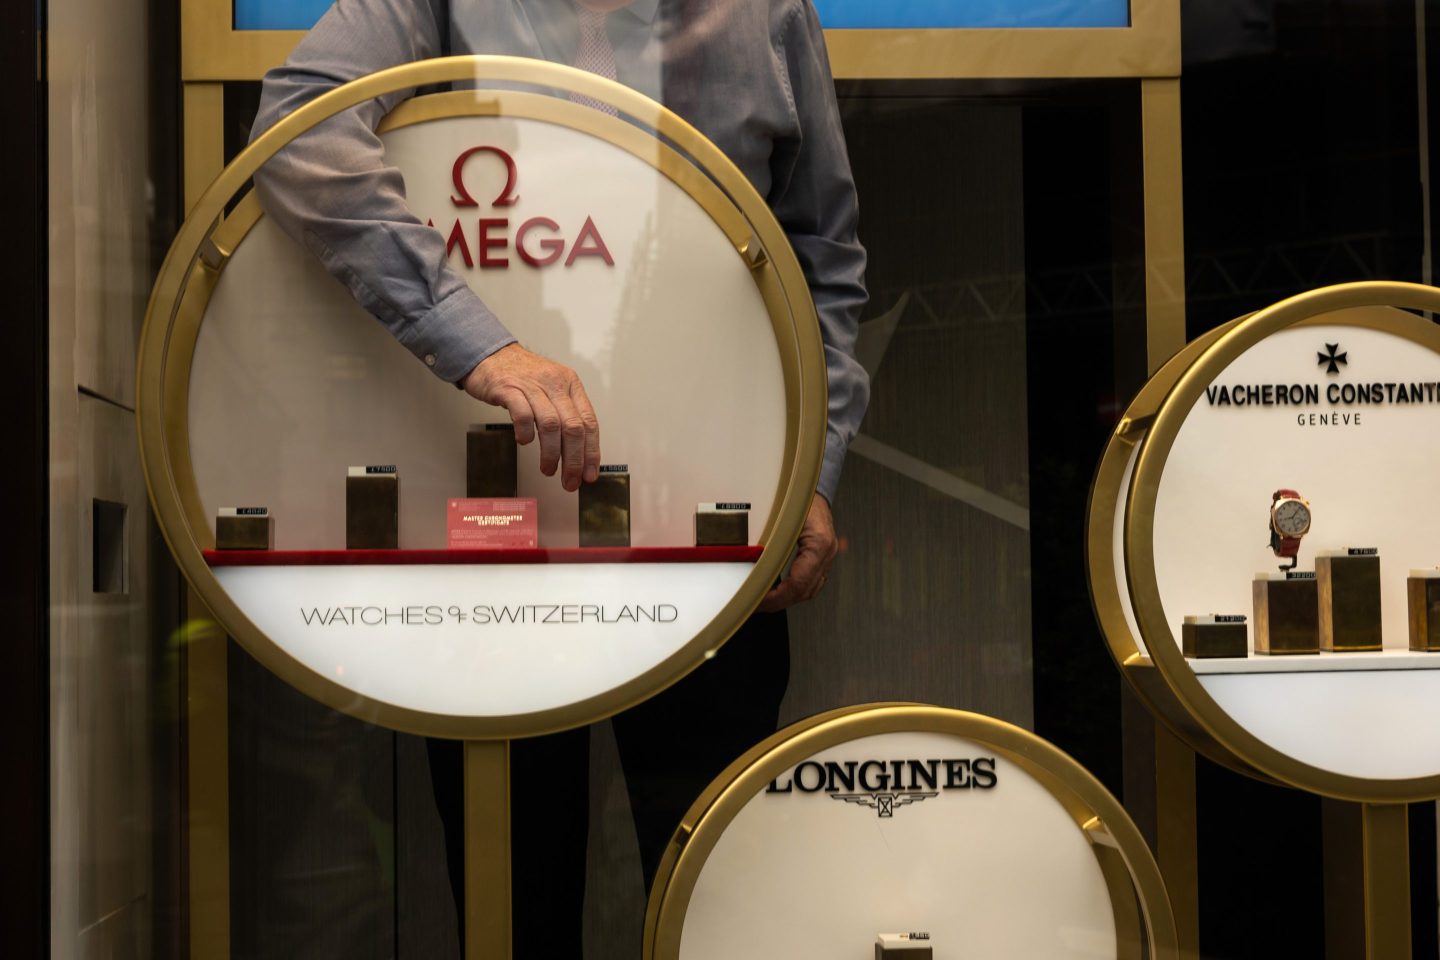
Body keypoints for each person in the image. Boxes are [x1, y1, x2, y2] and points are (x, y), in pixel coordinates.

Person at [251, 0, 868, 953]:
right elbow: (300, 134)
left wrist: (813, 470)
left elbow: (821, 264)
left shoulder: (768, 13)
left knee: (717, 890)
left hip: (710, 522)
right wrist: (480, 346)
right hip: (498, 530)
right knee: (512, 893)